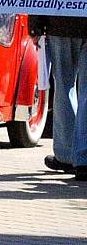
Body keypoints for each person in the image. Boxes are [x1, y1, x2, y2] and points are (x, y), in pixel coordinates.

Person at [28, 13, 87, 181]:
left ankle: (67, 155)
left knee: (63, 85)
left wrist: (35, 25)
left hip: (61, 21)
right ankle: (83, 158)